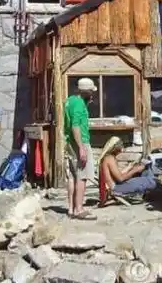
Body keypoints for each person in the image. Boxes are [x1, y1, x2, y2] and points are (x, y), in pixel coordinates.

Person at [65, 78, 97, 220]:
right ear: (86, 92)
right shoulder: (78, 105)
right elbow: (75, 126)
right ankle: (79, 209)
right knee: (82, 176)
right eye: (91, 92)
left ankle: (71, 208)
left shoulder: (71, 101)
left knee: (72, 176)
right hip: (81, 142)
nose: (92, 95)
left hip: (69, 142)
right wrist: (82, 148)